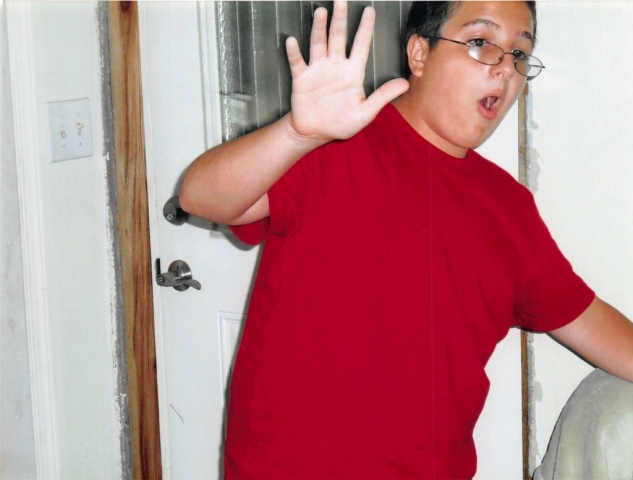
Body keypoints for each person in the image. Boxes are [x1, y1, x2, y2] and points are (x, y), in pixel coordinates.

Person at [180, 1, 633, 478]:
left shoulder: (508, 208)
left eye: (519, 53)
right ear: (419, 53)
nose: (504, 69)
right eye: (481, 42)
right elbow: (201, 197)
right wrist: (297, 133)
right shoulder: (335, 143)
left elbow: (585, 319)